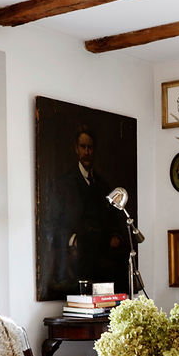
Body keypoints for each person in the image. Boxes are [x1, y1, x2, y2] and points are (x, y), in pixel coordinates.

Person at [44, 126, 128, 297]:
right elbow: (52, 224)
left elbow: (113, 220)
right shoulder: (63, 185)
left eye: (90, 147)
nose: (87, 152)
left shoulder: (103, 185)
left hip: (101, 257)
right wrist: (71, 240)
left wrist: (116, 237)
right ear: (76, 149)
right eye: (83, 147)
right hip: (75, 258)